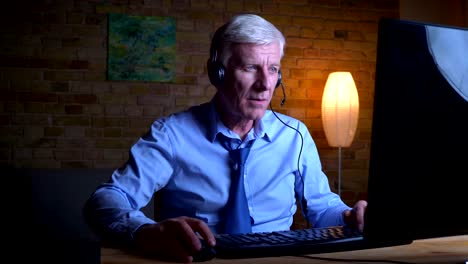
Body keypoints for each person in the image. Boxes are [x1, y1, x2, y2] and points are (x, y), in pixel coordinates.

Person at [83, 13, 367, 263]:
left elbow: (322, 207)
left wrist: (348, 216)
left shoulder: (295, 136)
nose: (265, 85)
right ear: (217, 73)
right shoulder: (171, 135)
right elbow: (106, 200)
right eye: (250, 67)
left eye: (273, 70)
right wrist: (145, 231)